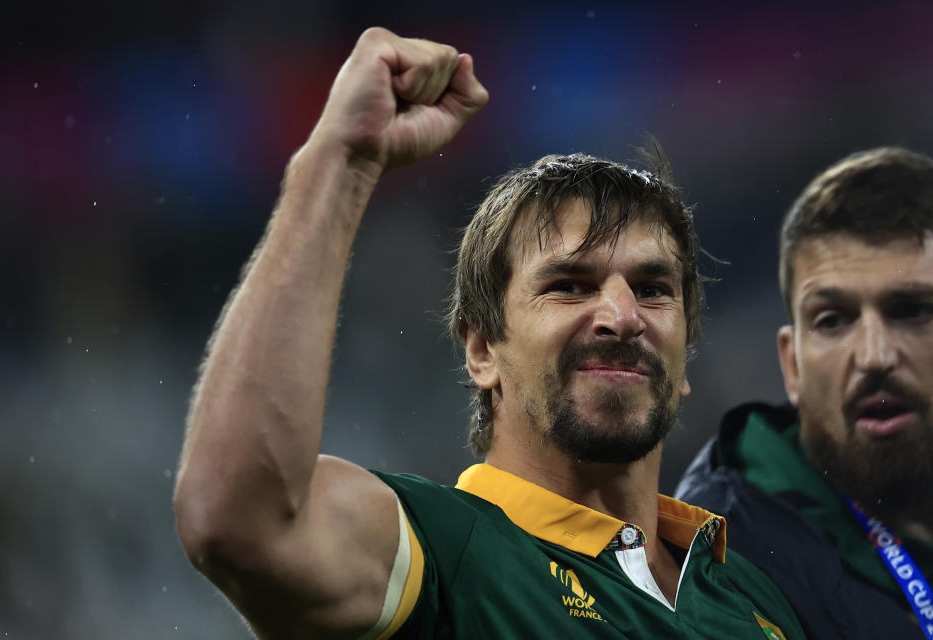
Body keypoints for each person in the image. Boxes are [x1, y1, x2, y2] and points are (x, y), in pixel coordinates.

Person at [173, 28, 803, 639]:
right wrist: (339, 163)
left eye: (653, 289)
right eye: (569, 285)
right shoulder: (445, 552)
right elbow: (239, 522)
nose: (622, 315)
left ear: (686, 355)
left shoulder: (749, 600)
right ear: (481, 350)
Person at [675, 147, 933, 640]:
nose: (874, 356)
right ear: (791, 365)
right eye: (832, 320)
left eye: (911, 310)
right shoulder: (725, 560)